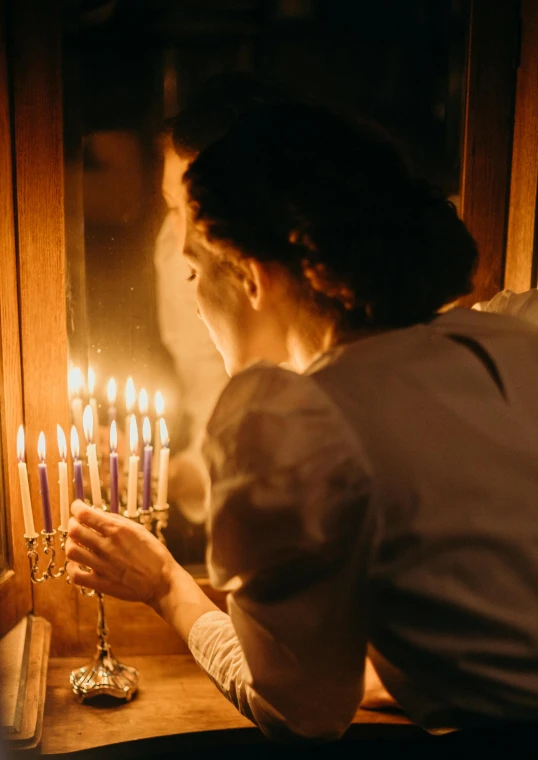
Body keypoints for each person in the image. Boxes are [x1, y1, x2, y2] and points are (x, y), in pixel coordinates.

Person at [66, 104, 538, 743]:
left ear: (253, 278)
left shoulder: (302, 420)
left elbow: (299, 714)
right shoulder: (512, 342)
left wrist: (165, 585)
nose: (195, 298)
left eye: (192, 272)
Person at [155, 73, 286, 524]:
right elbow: (211, 393)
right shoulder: (176, 258)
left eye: (198, 209)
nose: (183, 240)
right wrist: (179, 477)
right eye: (172, 206)